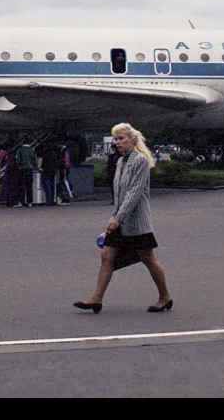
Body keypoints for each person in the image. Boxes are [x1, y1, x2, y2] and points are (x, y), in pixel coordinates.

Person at [74, 123, 172, 314]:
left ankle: (164, 297)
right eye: (116, 139)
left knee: (148, 258)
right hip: (120, 219)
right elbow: (120, 193)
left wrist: (119, 217)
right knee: (107, 255)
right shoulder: (121, 161)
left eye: (121, 138)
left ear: (132, 139)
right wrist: (115, 216)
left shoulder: (140, 161)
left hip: (136, 222)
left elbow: (134, 193)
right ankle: (96, 299)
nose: (117, 142)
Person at [15, 142, 37, 207]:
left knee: (21, 186)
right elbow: (35, 160)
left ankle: (21, 201)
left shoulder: (20, 150)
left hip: (22, 169)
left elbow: (18, 160)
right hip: (30, 169)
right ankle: (30, 201)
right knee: (29, 186)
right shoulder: (32, 150)